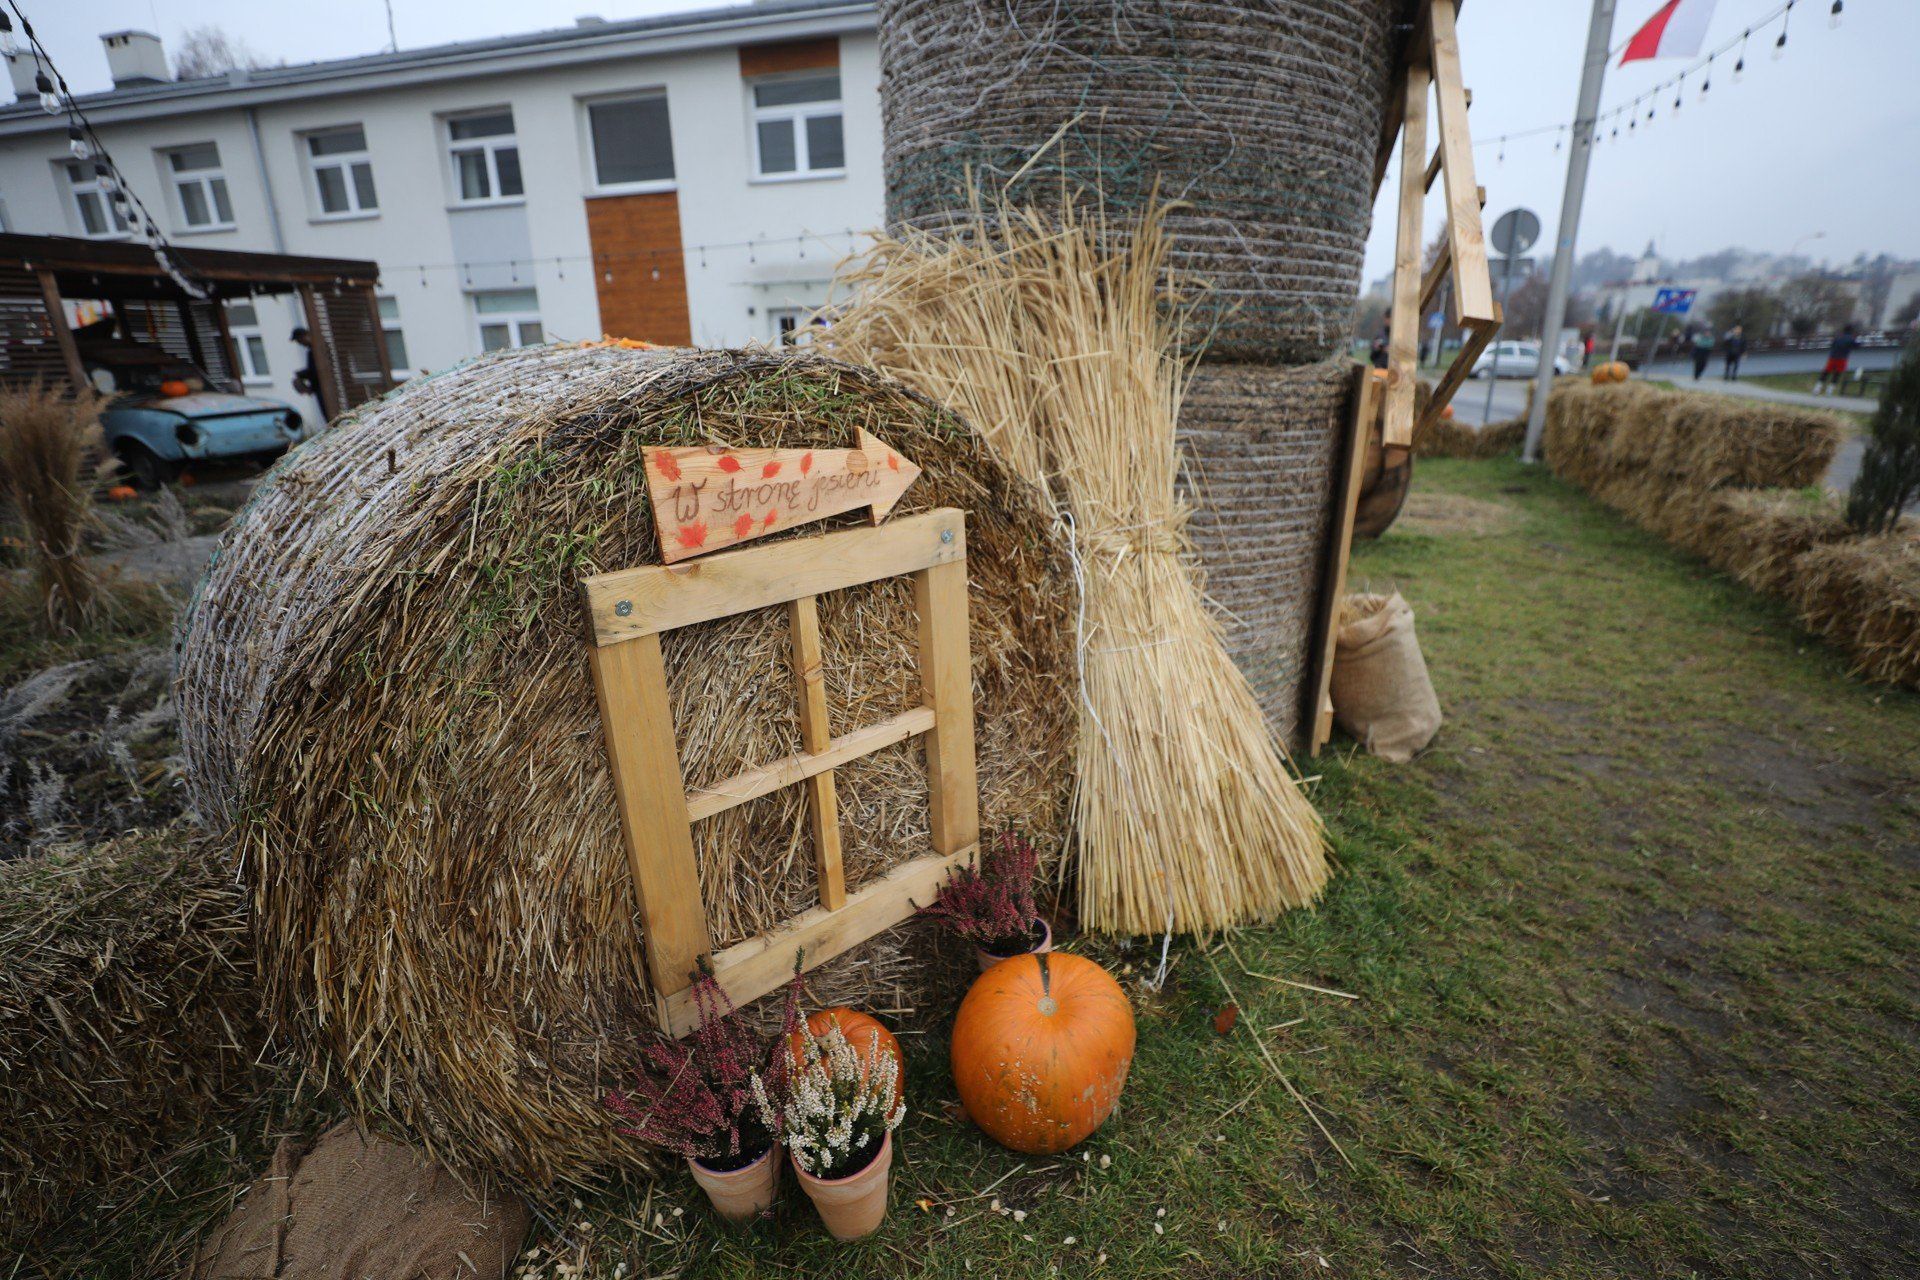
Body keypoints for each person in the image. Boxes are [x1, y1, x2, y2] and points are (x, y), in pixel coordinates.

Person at [289, 326, 325, 421]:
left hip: (324, 389)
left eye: (299, 340)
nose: (300, 344)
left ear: (304, 336)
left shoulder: (317, 350)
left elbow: (317, 371)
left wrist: (302, 375)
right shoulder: (311, 351)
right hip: (319, 389)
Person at [1815, 323, 1859, 396]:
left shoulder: (1838, 337)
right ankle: (1829, 391)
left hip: (1832, 357)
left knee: (1826, 372)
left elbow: (1832, 345)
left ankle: (1817, 388)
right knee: (1836, 374)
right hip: (1842, 358)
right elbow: (1856, 346)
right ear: (1851, 331)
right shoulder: (1851, 339)